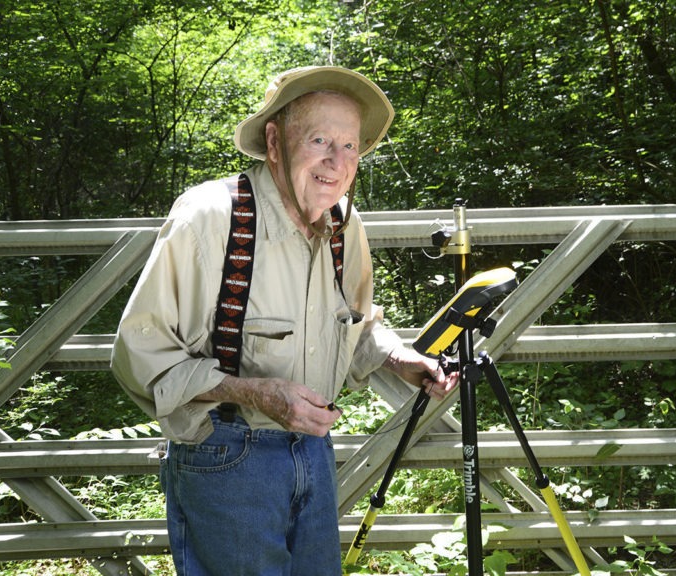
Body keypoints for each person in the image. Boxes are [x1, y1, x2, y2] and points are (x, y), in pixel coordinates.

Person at [111, 65, 456, 575]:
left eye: (351, 147)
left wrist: (399, 356)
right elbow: (140, 358)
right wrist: (253, 392)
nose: (335, 164)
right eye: (319, 139)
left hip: (314, 453)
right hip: (225, 457)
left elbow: (355, 325)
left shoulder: (343, 223)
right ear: (274, 140)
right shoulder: (209, 217)